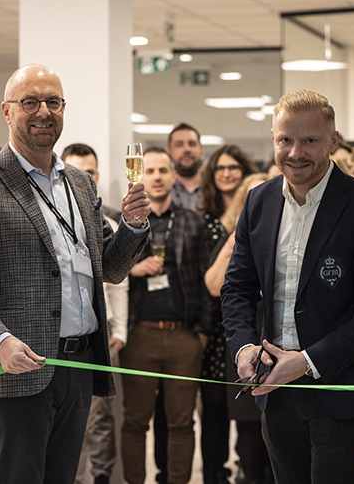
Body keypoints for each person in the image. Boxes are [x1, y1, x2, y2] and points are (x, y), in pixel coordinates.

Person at [0, 64, 150, 483]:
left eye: (53, 102)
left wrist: (132, 227)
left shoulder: (80, 183)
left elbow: (110, 269)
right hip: (16, 367)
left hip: (79, 365)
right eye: (30, 102)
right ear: (6, 111)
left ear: (63, 109)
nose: (43, 111)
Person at [221, 89, 354, 483]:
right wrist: (244, 346)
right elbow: (236, 288)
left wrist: (306, 361)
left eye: (309, 141)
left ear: (333, 141)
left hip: (341, 385)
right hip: (273, 385)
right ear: (273, 139)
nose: (295, 152)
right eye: (285, 140)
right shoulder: (258, 202)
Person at [120, 148, 212, 484]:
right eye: (150, 170)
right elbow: (108, 271)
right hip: (138, 335)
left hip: (184, 336)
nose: (156, 177)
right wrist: (133, 269)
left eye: (163, 170)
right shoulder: (124, 222)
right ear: (139, 176)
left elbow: (206, 280)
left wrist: (202, 333)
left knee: (182, 423)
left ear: (174, 176)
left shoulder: (193, 221)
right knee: (134, 422)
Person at [62, 143, 129, 484]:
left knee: (101, 417)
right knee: (68, 423)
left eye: (88, 172)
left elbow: (117, 281)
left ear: (96, 176)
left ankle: (100, 477)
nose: (82, 177)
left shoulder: (105, 221)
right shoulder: (53, 215)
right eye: (74, 170)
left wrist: (120, 332)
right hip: (59, 338)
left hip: (99, 335)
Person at [205, 172, 274, 484]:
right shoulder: (236, 237)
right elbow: (213, 285)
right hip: (247, 337)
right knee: (248, 428)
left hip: (281, 340)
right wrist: (235, 239)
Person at [197, 145, 257, 484]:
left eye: (234, 167)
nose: (227, 173)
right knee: (217, 411)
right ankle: (215, 474)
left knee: (251, 419)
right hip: (217, 327)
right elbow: (209, 283)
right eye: (220, 167)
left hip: (257, 326)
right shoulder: (208, 222)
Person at [166, 122, 205, 210]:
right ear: (169, 153)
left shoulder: (215, 188)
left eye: (192, 144)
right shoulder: (161, 190)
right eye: (179, 145)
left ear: (202, 151)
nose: (187, 149)